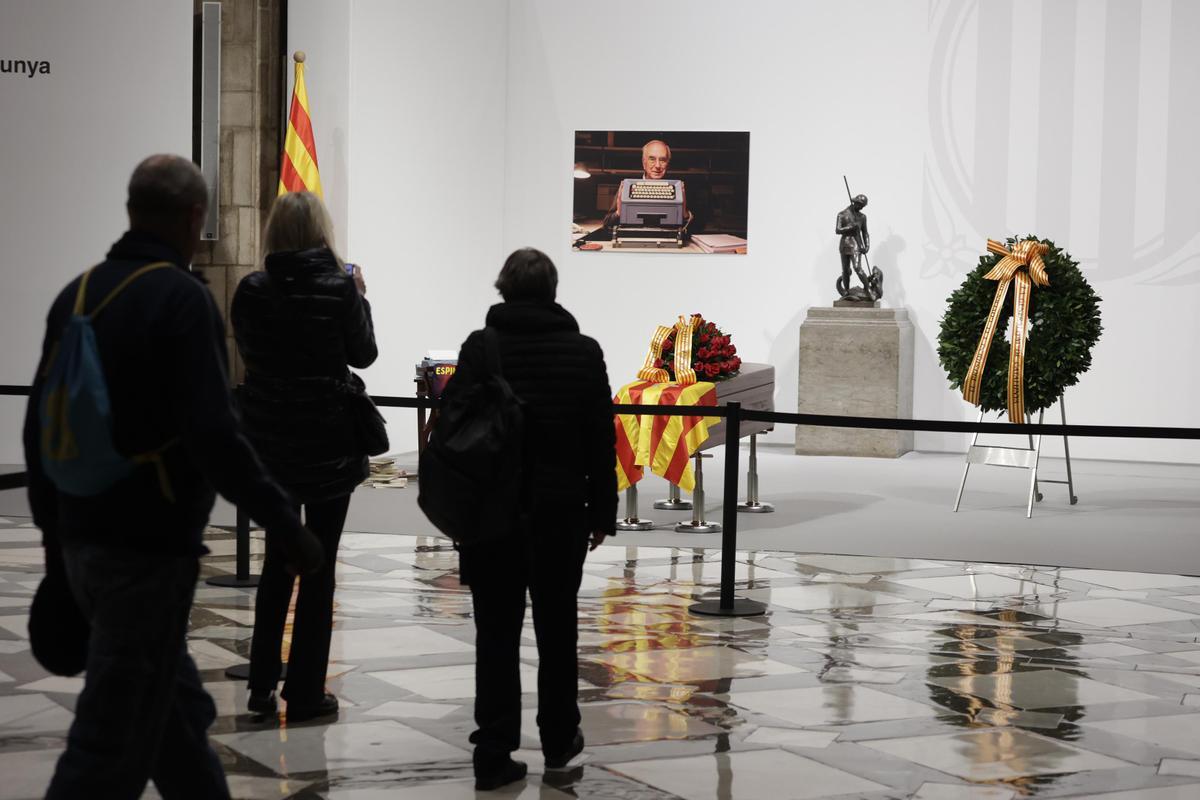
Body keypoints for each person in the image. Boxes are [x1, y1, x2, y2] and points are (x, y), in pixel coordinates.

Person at [22, 154, 323, 799]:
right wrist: (282, 522)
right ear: (194, 218)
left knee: (178, 725)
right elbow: (215, 434)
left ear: (131, 211)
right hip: (147, 546)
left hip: (83, 537)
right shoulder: (183, 302)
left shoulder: (76, 294)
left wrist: (56, 545)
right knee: (105, 748)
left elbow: (38, 432)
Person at [444, 248, 616, 790]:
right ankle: (560, 740)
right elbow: (599, 439)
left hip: (492, 514)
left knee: (494, 635)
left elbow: (453, 429)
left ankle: (493, 752)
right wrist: (603, 512)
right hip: (560, 512)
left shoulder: (480, 347)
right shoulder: (584, 352)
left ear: (503, 289)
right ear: (553, 291)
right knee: (557, 629)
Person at [232, 190, 378, 721]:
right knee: (320, 568)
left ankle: (260, 684)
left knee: (277, 561)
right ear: (320, 231)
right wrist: (360, 296)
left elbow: (249, 355)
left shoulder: (251, 290)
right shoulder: (339, 287)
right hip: (329, 441)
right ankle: (307, 692)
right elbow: (364, 354)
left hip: (270, 440)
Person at [835, 193, 875, 298]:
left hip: (856, 244)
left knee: (857, 267)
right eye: (860, 205)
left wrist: (867, 246)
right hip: (844, 244)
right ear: (855, 202)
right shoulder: (842, 214)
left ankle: (868, 289)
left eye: (863, 206)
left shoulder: (862, 217)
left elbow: (865, 232)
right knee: (846, 270)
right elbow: (838, 230)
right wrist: (850, 227)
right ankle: (846, 292)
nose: (861, 208)